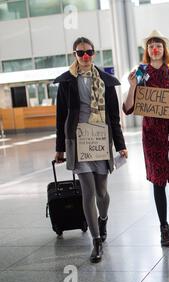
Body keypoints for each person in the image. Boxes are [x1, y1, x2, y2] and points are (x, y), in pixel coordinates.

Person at [54, 37, 128, 263]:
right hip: (78, 141)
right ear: (74, 55)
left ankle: (103, 217)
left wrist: (121, 145)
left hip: (100, 140)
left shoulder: (105, 81)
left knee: (102, 192)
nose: (85, 57)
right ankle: (96, 241)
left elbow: (114, 118)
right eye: (80, 53)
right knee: (87, 191)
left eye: (89, 52)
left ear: (94, 54)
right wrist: (60, 148)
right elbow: (61, 117)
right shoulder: (67, 82)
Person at [123, 30, 169, 247]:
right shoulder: (140, 75)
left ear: (164, 49)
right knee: (158, 180)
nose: (154, 48)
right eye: (151, 45)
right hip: (151, 134)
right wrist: (132, 87)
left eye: (158, 44)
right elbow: (128, 108)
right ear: (147, 51)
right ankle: (163, 227)